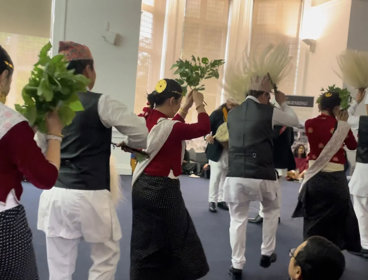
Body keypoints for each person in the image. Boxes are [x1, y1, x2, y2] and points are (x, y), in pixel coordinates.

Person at [37, 41, 148, 280]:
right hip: (92, 196)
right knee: (105, 258)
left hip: (55, 195)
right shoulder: (101, 102)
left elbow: (38, 148)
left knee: (59, 267)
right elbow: (142, 133)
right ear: (88, 70)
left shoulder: (49, 107)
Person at [130, 79, 210, 280]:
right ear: (172, 100)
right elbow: (204, 127)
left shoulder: (146, 118)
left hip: (141, 187)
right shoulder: (170, 128)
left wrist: (185, 107)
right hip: (163, 190)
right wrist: (199, 104)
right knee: (180, 238)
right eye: (179, 101)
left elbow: (170, 129)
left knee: (145, 240)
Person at [224, 75, 299, 279]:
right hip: (264, 174)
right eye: (269, 96)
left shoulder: (232, 113)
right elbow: (295, 121)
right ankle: (267, 253)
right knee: (271, 211)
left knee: (237, 220)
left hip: (236, 175)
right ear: (265, 95)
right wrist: (283, 101)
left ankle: (236, 265)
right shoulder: (270, 111)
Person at [0, 46, 63, 279]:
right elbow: (44, 178)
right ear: (4, 76)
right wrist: (55, 135)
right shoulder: (10, 123)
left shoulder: (15, 127)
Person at [292, 91, 361, 253]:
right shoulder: (340, 126)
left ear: (320, 106)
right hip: (336, 181)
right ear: (337, 107)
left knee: (312, 220)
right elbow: (352, 145)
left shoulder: (309, 123)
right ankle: (331, 255)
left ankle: (308, 254)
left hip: (315, 180)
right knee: (336, 220)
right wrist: (343, 123)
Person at [205, 99, 238, 212]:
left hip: (230, 150)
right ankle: (212, 201)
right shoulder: (218, 113)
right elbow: (206, 128)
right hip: (216, 149)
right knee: (215, 177)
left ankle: (221, 200)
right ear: (228, 103)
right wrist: (207, 136)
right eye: (233, 104)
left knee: (225, 177)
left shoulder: (238, 116)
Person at [348, 88, 368, 258]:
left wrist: (356, 102)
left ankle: (365, 245)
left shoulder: (362, 122)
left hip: (364, 170)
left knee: (360, 208)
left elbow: (343, 117)